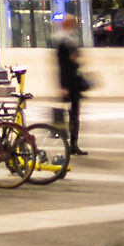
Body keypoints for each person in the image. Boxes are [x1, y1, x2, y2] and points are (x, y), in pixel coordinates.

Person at [53, 14, 90, 153]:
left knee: (74, 114)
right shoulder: (65, 41)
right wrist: (63, 86)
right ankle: (72, 144)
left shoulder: (67, 40)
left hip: (71, 82)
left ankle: (73, 143)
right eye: (72, 23)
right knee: (73, 115)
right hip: (69, 83)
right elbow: (64, 65)